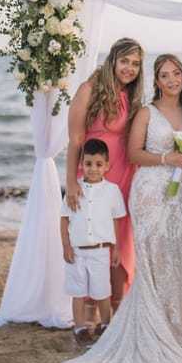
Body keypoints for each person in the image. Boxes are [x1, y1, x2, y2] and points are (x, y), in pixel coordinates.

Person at [21, 54, 182, 363]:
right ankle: (113, 321)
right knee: (146, 256)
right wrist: (167, 160)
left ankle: (175, 323)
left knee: (174, 256)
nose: (171, 79)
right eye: (164, 74)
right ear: (156, 80)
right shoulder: (142, 110)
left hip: (177, 194)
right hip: (147, 189)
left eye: (176, 73)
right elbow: (128, 152)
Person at [65, 37, 144, 318]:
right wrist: (71, 183)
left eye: (136, 64)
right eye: (124, 61)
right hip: (92, 178)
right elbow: (76, 140)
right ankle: (88, 318)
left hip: (124, 178)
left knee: (120, 243)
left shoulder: (132, 96)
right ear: (112, 61)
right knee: (92, 242)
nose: (129, 68)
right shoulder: (89, 89)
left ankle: (117, 315)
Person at [60, 138, 126, 347]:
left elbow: (115, 221)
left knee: (102, 291)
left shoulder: (112, 191)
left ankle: (105, 325)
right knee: (78, 292)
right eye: (88, 164)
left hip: (100, 251)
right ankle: (80, 329)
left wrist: (116, 249)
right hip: (77, 252)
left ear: (107, 166)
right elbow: (64, 219)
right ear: (82, 164)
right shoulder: (74, 190)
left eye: (98, 164)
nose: (93, 169)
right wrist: (66, 246)